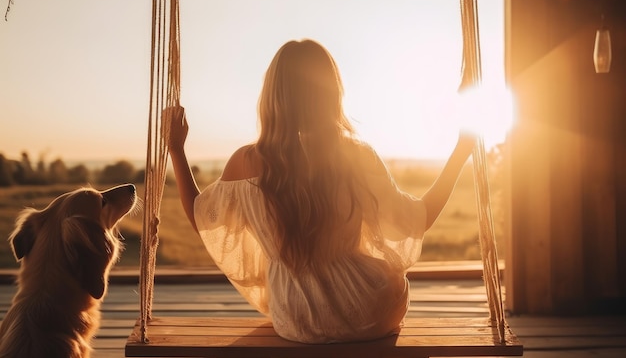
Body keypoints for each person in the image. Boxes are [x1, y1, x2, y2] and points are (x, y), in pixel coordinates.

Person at [166, 39, 476, 344]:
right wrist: (461, 152)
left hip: (296, 318)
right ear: (331, 95)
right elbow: (416, 219)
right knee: (389, 287)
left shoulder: (244, 163)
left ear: (272, 96)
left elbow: (201, 217)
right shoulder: (355, 155)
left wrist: (176, 150)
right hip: (371, 308)